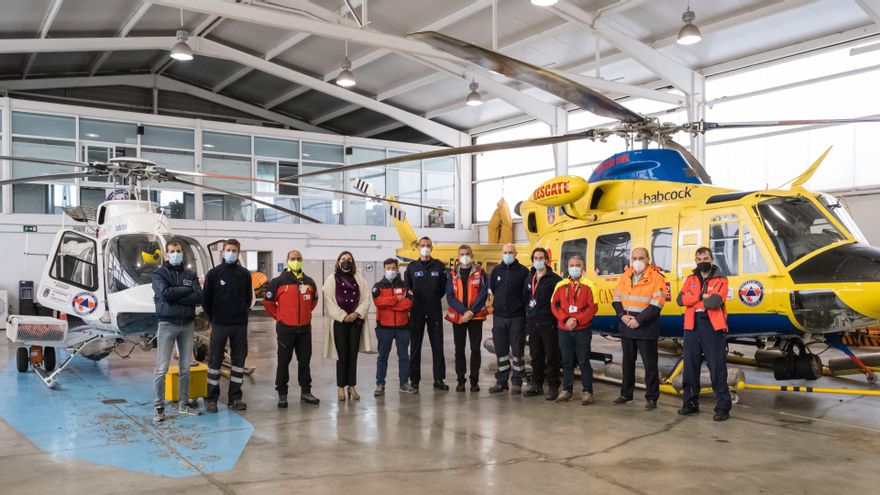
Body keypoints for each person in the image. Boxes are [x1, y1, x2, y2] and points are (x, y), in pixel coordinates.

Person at [677, 247, 732, 421]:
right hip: (691, 326)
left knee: (717, 368)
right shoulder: (690, 279)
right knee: (690, 368)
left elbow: (715, 302)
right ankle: (690, 404)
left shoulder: (721, 279)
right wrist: (701, 296)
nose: (703, 261)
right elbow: (680, 300)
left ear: (712, 259)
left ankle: (723, 407)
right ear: (696, 261)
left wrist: (693, 297)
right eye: (699, 259)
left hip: (712, 327)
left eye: (706, 258)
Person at [151, 240, 203, 422]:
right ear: (166, 255)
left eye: (178, 251)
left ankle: (183, 405)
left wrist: (177, 294)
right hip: (167, 324)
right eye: (172, 251)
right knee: (162, 368)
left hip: (187, 325)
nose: (175, 254)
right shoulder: (159, 274)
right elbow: (165, 294)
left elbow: (199, 297)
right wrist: (186, 290)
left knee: (185, 368)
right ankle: (158, 407)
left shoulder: (190, 274)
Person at [263, 249, 320, 408]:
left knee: (305, 362)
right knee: (283, 362)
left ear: (302, 260)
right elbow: (268, 302)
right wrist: (279, 316)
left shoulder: (309, 282)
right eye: (293, 258)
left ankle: (306, 391)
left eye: (298, 258)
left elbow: (314, 301)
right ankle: (282, 394)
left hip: (304, 329)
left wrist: (305, 314)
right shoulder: (278, 282)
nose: (296, 260)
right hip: (285, 329)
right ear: (287, 260)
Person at [611, 247, 666, 410]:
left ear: (648, 259)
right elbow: (616, 299)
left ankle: (651, 398)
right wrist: (622, 316)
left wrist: (638, 321)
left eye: (641, 258)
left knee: (650, 366)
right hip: (627, 327)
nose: (637, 261)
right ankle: (626, 394)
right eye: (634, 257)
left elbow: (657, 305)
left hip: (646, 329)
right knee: (627, 363)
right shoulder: (625, 275)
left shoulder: (657, 278)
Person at [203, 239, 252, 412]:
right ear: (222, 252)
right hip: (219, 325)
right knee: (215, 362)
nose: (231, 252)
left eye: (234, 250)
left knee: (238, 363)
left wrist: (241, 315)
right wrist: (214, 319)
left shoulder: (245, 274)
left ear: (238, 253)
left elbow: (248, 299)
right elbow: (206, 301)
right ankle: (211, 399)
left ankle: (235, 398)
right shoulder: (213, 274)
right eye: (228, 250)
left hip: (239, 325)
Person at [323, 251, 374, 401]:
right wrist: (343, 316)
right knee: (342, 355)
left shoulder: (360, 279)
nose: (346, 261)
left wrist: (356, 314)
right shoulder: (332, 279)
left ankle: (352, 386)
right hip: (339, 323)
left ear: (353, 262)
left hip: (356, 323)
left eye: (349, 259)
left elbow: (366, 299)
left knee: (353, 355)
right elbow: (329, 302)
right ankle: (340, 387)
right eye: (343, 259)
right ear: (338, 261)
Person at [550, 255, 599, 404]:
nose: (574, 267)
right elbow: (554, 304)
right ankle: (567, 390)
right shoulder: (561, 285)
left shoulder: (590, 285)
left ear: (583, 268)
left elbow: (593, 307)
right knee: (566, 361)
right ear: (568, 267)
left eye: (577, 265)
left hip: (582, 329)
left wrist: (577, 320)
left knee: (584, 361)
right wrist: (566, 319)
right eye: (571, 265)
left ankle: (587, 391)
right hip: (564, 329)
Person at [405, 237, 449, 392]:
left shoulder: (439, 266)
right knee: (415, 346)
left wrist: (433, 297)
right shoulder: (411, 267)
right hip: (416, 311)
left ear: (432, 248)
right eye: (423, 245)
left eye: (428, 246)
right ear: (418, 247)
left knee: (437, 345)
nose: (425, 248)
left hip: (434, 310)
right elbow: (407, 288)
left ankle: (439, 379)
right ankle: (414, 380)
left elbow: (444, 288)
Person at [445, 244, 489, 393]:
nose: (465, 256)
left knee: (475, 349)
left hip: (475, 317)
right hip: (459, 317)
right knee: (459, 350)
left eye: (467, 253)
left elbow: (483, 294)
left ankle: (474, 381)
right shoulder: (451, 274)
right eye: (462, 254)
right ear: (458, 257)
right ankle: (461, 381)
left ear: (472, 255)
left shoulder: (480, 272)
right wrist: (464, 311)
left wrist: (471, 311)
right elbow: (450, 297)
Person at [488, 243, 530, 394]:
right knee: (501, 351)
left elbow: (527, 294)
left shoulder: (524, 272)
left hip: (517, 317)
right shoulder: (496, 271)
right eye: (505, 252)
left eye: (510, 252)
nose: (507, 255)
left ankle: (517, 381)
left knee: (518, 351)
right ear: (502, 253)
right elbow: (493, 288)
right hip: (499, 317)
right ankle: (501, 381)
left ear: (516, 253)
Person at [522, 247, 563, 400]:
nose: (538, 261)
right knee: (535, 356)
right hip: (532, 324)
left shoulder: (555, 280)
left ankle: (553, 386)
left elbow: (559, 302)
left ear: (546, 260)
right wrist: (529, 309)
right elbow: (525, 297)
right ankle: (537, 385)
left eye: (541, 258)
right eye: (535, 258)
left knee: (552, 357)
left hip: (548, 324)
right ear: (532, 260)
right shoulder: (529, 278)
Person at [372, 258, 417, 396]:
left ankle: (404, 383)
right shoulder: (378, 286)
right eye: (388, 268)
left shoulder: (405, 286)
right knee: (382, 357)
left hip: (403, 327)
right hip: (384, 327)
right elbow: (378, 302)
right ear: (384, 269)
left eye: (393, 268)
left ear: (397, 269)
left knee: (404, 357)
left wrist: (390, 306)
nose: (391, 270)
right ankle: (380, 384)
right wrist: (396, 300)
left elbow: (408, 304)